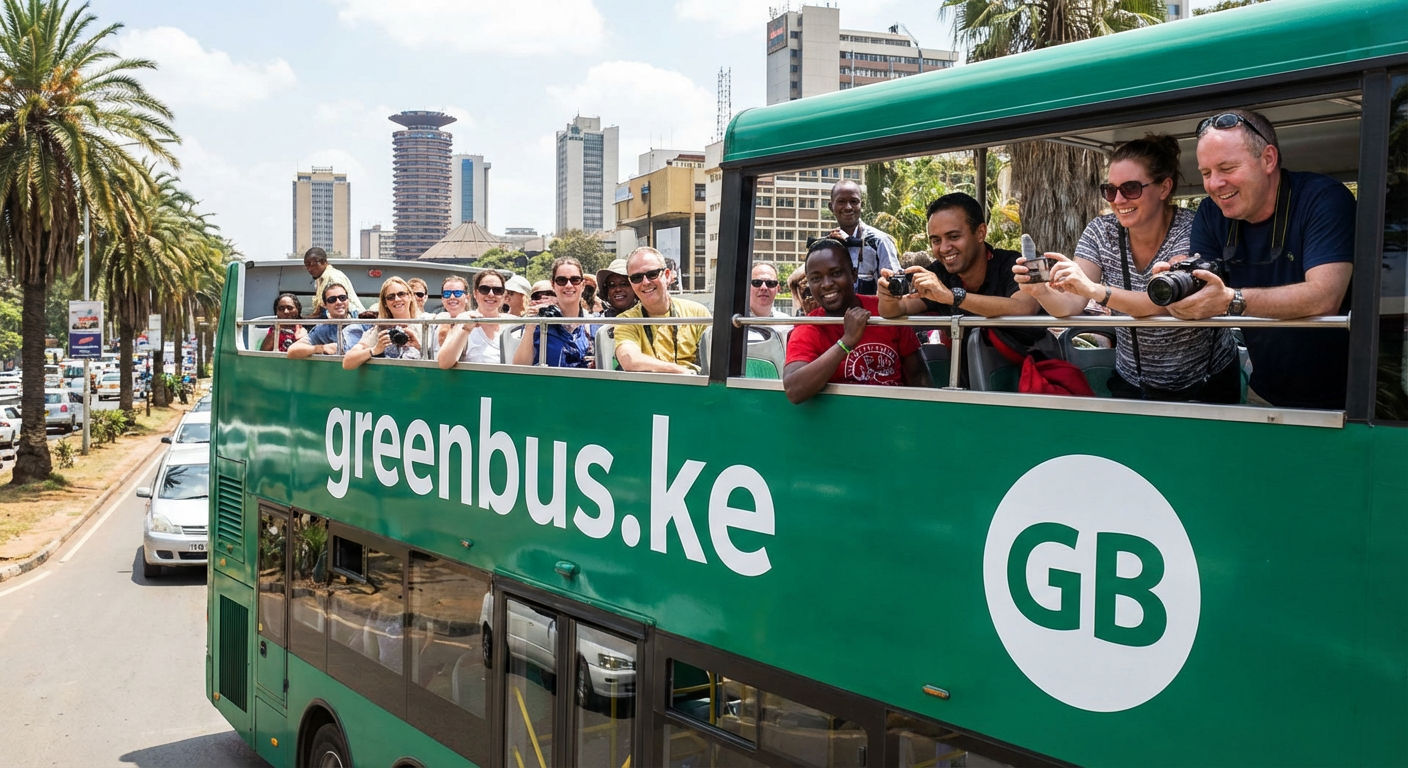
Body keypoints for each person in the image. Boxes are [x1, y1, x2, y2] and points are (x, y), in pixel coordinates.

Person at [1015, 134, 1240, 403]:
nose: (1118, 199)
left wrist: (1096, 290)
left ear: (1164, 188)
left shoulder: (1192, 228)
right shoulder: (1101, 232)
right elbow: (1071, 304)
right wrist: (1041, 291)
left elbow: (1166, 302)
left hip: (1207, 378)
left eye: (1131, 188)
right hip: (1133, 380)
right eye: (1110, 190)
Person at [1158, 108, 1355, 409]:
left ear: (1268, 159)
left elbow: (1325, 297)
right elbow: (1208, 289)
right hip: (1262, 392)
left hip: (1349, 402)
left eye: (1227, 168)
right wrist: (1180, 285)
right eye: (1206, 173)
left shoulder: (1323, 198)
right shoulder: (1211, 212)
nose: (1214, 184)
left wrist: (1231, 300)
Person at [784, 238, 929, 404]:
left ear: (853, 275)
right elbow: (794, 390)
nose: (827, 284)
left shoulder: (885, 310)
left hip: (894, 413)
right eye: (816, 278)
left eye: (836, 273)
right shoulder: (809, 327)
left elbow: (918, 375)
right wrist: (846, 342)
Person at [879, 193, 1040, 321]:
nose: (944, 248)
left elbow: (1025, 307)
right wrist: (888, 298)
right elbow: (897, 309)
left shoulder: (1013, 264)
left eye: (954, 237)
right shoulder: (938, 273)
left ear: (981, 233)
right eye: (936, 240)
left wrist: (951, 296)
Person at [614, 247, 711, 374]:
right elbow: (630, 360)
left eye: (652, 274)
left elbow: (717, 357)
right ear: (631, 283)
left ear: (667, 275)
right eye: (637, 277)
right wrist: (681, 371)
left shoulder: (697, 313)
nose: (645, 282)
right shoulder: (626, 321)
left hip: (694, 385)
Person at [512, 258, 593, 368]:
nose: (569, 285)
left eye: (575, 280)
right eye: (561, 280)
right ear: (553, 285)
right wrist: (530, 327)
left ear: (583, 285)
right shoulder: (539, 325)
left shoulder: (594, 325)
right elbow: (520, 367)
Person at [826, 179, 899, 295]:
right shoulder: (827, 245)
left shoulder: (879, 242)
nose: (848, 207)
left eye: (854, 201)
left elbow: (896, 286)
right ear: (831, 207)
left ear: (862, 205)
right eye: (841, 201)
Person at [343, 277, 423, 369]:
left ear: (410, 296)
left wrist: (419, 347)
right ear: (385, 303)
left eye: (401, 294)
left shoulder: (426, 325)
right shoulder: (380, 329)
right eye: (390, 297)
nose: (397, 299)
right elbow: (347, 363)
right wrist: (374, 350)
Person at [438, 271, 507, 367]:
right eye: (484, 289)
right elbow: (444, 363)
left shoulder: (511, 324)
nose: (491, 294)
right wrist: (466, 330)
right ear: (475, 293)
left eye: (497, 290)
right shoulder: (464, 319)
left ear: (503, 295)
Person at [288, 282, 364, 358]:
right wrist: (321, 348)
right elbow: (292, 351)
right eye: (332, 299)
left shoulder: (363, 322)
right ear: (325, 305)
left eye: (342, 297)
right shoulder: (323, 329)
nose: (338, 302)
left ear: (348, 300)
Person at [303, 247, 364, 317]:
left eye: (313, 264)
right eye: (307, 265)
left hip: (350, 318)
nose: (310, 269)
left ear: (324, 262)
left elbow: (340, 307)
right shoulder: (319, 279)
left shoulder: (334, 278)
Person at [748, 261, 792, 336]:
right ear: (747, 286)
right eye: (757, 282)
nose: (764, 288)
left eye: (770, 283)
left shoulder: (787, 324)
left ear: (778, 288)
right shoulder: (737, 321)